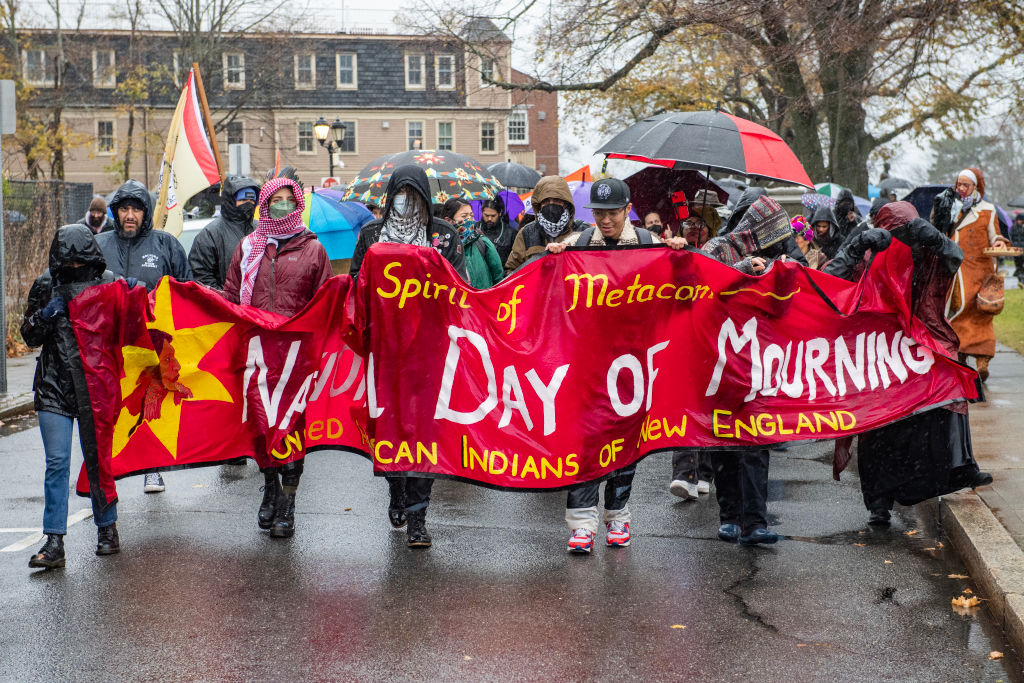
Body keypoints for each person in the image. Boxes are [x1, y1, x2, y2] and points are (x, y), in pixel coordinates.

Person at [825, 201, 993, 524]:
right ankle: (878, 501)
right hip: (877, 350)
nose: (904, 243)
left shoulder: (926, 252)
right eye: (897, 234)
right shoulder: (867, 253)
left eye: (909, 234)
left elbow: (954, 258)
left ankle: (958, 468)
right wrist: (856, 246)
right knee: (877, 424)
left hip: (917, 344)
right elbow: (827, 279)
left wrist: (935, 237)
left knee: (951, 382)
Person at [546, 178, 687, 553]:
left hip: (632, 365)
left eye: (612, 213)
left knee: (626, 442)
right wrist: (550, 259)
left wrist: (678, 255)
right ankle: (581, 524)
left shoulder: (648, 244)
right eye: (599, 213)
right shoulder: (576, 244)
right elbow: (550, 293)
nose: (605, 220)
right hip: (586, 364)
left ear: (627, 210)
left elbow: (683, 290)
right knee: (584, 444)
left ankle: (618, 516)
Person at [350, 164, 467, 549]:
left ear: (425, 198)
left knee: (424, 432)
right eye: (400, 193)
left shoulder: (443, 235)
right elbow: (356, 283)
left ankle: (418, 516)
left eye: (413, 194)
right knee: (389, 426)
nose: (406, 200)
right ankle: (396, 489)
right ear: (390, 196)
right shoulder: (371, 234)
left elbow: (460, 288)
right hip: (384, 351)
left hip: (429, 353)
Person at [222, 176, 332, 537]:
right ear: (265, 206)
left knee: (292, 430)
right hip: (255, 354)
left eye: (289, 200)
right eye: (275, 200)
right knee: (261, 427)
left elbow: (325, 303)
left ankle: (288, 502)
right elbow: (231, 297)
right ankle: (269, 487)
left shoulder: (313, 250)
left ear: (297, 204)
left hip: (296, 359)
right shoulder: (248, 247)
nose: (282, 206)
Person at [23, 224, 121, 568]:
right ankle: (54, 541)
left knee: (98, 461)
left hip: (95, 386)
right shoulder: (46, 284)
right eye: (70, 263)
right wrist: (44, 315)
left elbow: (124, 330)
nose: (76, 268)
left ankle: (107, 528)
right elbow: (28, 336)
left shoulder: (108, 283)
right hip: (54, 385)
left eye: (81, 263)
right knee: (57, 463)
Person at [700, 196, 792, 545]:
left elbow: (781, 306)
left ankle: (755, 522)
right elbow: (701, 285)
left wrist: (780, 275)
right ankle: (730, 518)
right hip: (720, 362)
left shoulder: (771, 258)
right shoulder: (717, 247)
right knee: (724, 443)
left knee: (756, 443)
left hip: (757, 362)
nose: (774, 244)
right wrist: (742, 269)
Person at [96, 179, 192, 495]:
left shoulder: (166, 245)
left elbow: (186, 289)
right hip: (110, 342)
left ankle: (153, 469)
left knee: (149, 406)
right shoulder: (100, 244)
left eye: (136, 209)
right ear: (116, 211)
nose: (130, 215)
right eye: (124, 209)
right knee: (110, 407)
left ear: (146, 212)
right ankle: (107, 468)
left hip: (152, 342)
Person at [932, 168, 1011, 381]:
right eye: (959, 184)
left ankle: (982, 361)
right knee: (957, 313)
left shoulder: (987, 210)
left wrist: (998, 242)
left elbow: (996, 235)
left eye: (966, 185)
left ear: (976, 187)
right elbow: (941, 234)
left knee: (981, 315)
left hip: (980, 274)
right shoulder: (951, 208)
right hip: (957, 273)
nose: (961, 188)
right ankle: (961, 358)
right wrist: (941, 214)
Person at [504, 175, 591, 273]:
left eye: (556, 200)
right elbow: (511, 271)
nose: (551, 204)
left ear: (566, 203)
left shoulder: (583, 230)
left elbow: (593, 265)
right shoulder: (527, 233)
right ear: (539, 205)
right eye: (546, 201)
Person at [189, 174, 261, 290]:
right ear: (231, 201)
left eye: (251, 200)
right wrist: (225, 297)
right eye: (243, 200)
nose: (248, 204)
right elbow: (202, 276)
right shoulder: (210, 234)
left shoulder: (261, 229)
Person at [442, 197, 503, 288]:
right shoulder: (440, 247)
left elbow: (499, 278)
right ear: (448, 221)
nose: (469, 219)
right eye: (464, 216)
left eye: (471, 215)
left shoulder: (482, 242)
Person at [477, 197, 518, 266]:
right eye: (486, 215)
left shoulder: (511, 233)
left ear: (500, 213)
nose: (489, 219)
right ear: (482, 212)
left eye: (493, 216)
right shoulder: (474, 229)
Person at [1010, 213, 1024, 281]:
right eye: (1019, 220)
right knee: (1018, 264)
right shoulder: (1013, 228)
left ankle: (1020, 274)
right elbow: (1010, 237)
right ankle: (1020, 276)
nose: (1020, 221)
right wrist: (1013, 245)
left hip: (1023, 249)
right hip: (1016, 249)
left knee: (1021, 264)